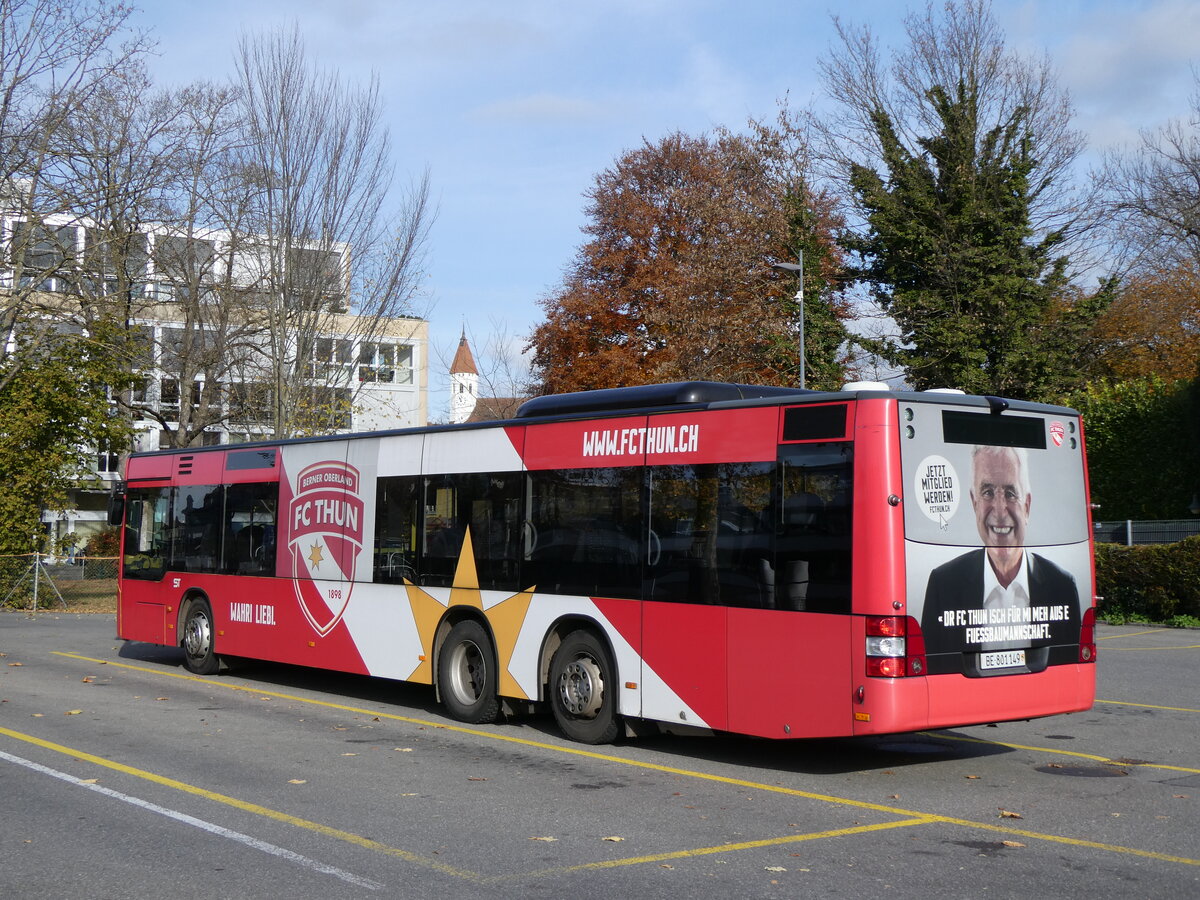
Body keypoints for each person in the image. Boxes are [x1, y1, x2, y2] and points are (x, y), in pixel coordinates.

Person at [921, 445, 1079, 657]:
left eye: (1011, 493)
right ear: (974, 503)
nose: (999, 509)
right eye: (987, 492)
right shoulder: (943, 585)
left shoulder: (1063, 586)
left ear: (1027, 506)